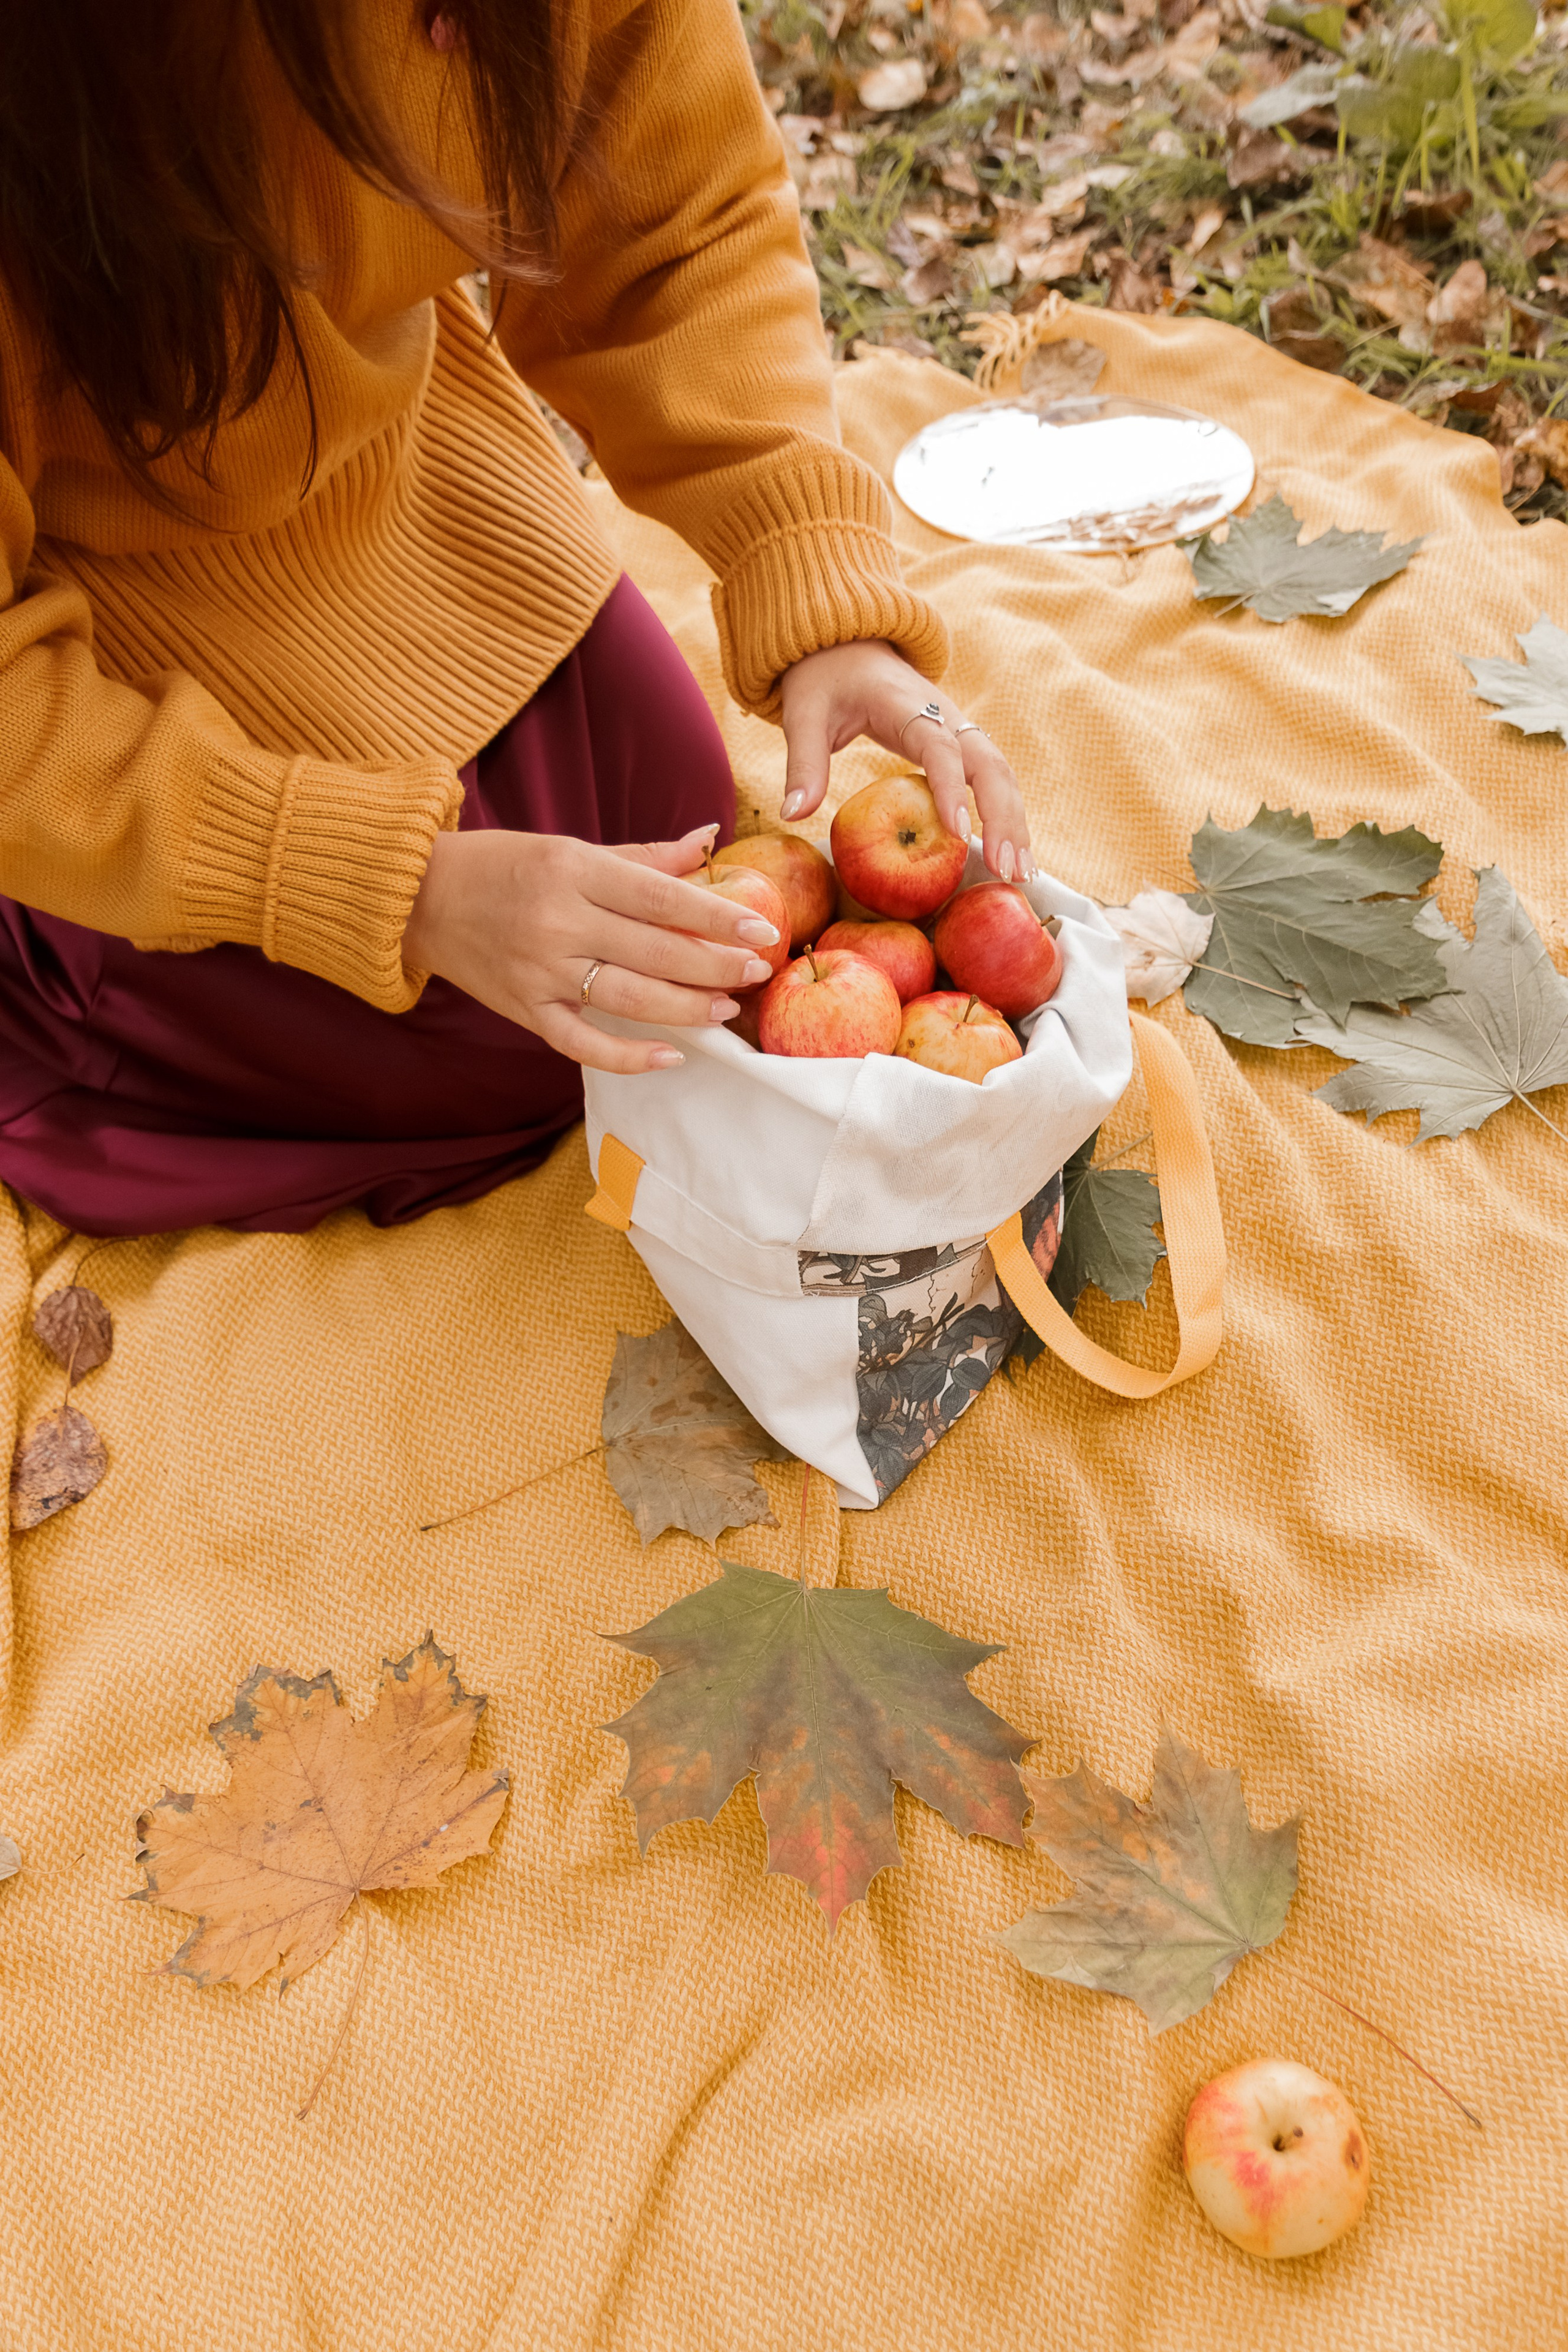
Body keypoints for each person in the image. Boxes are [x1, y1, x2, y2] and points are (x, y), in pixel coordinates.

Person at [0, 0, 1031, 1235]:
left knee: (673, 892)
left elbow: (674, 217)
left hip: (428, 499)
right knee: (516, 1056)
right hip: (101, 669)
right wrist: (388, 884)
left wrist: (809, 572)